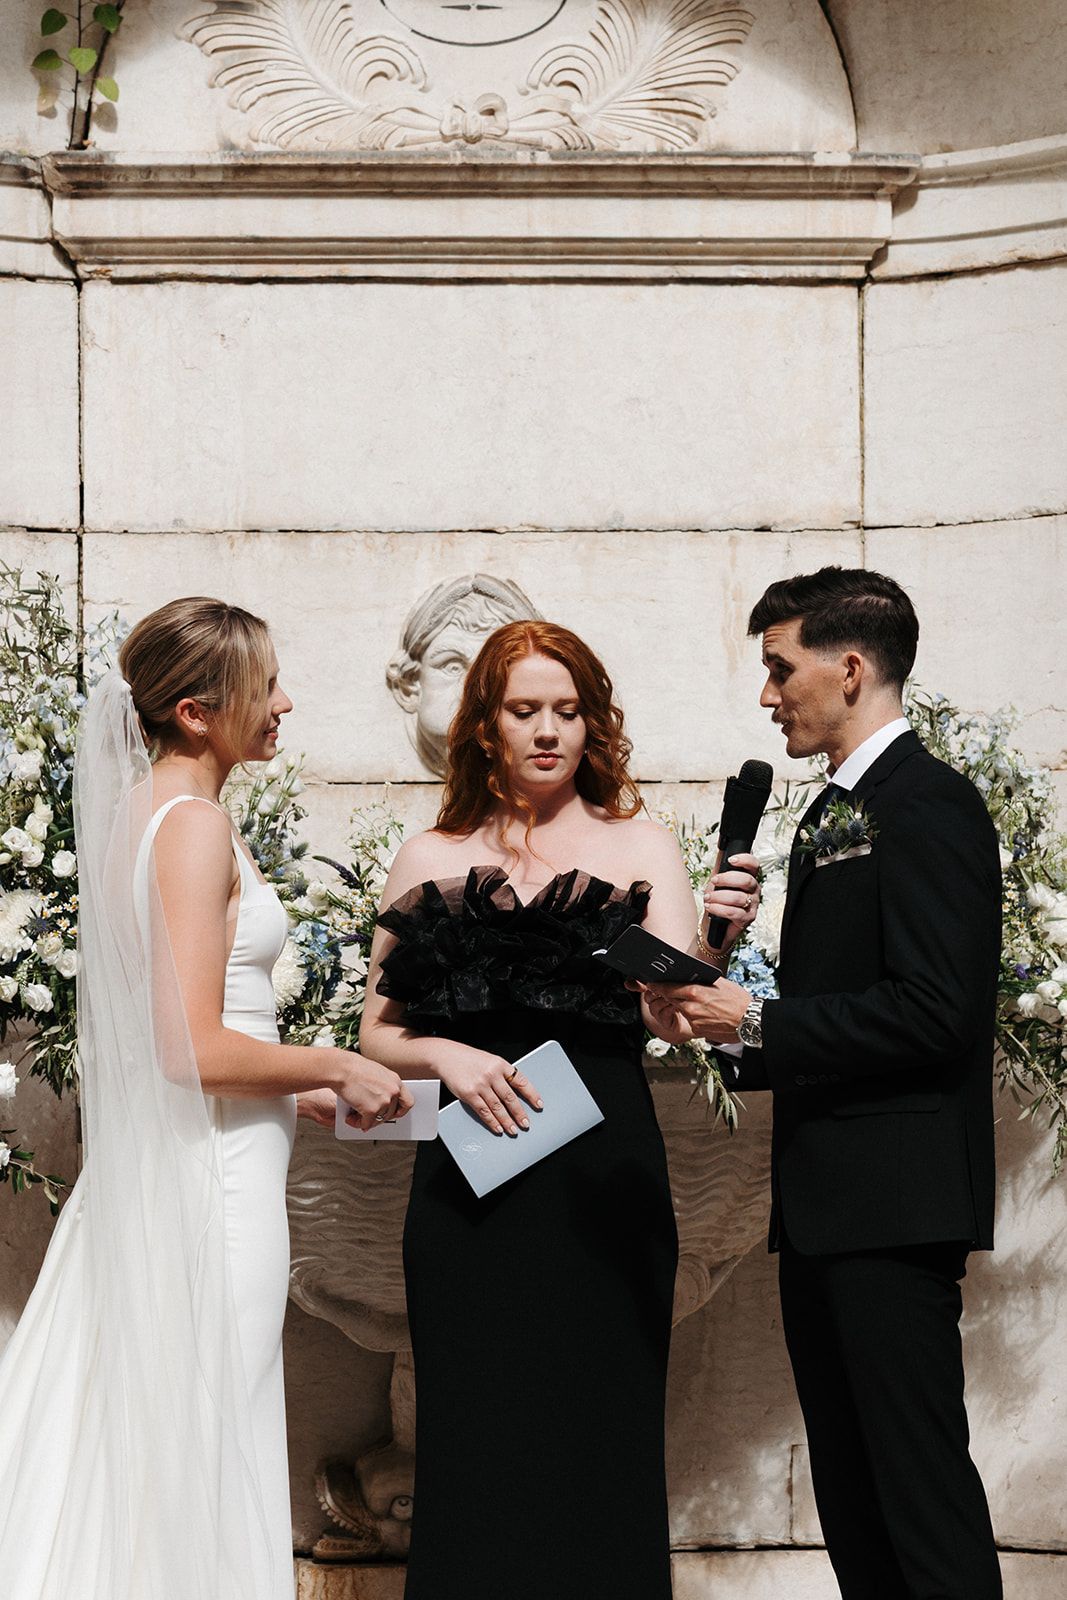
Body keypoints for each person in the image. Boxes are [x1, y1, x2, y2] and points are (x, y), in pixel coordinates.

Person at [0, 597, 410, 1600]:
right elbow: (187, 1049)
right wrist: (328, 1065)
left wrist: (288, 1095)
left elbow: (186, 1029)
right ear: (194, 711)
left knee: (160, 1432)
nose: (284, 704)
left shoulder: (144, 814)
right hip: (210, 1190)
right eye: (262, 687)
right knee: (208, 1428)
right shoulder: (192, 824)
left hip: (195, 1163)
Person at [360, 619, 761, 1600]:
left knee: (599, 1435)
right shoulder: (429, 854)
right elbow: (374, 1035)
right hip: (470, 1191)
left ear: (592, 723)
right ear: (483, 726)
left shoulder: (635, 845)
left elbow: (671, 1014)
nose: (549, 730)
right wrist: (446, 1054)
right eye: (524, 709)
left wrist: (713, 937)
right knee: (476, 1441)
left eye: (568, 710)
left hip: (602, 1186)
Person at [643, 567, 1003, 1600]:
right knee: (854, 1507)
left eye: (777, 667)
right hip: (822, 1211)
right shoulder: (827, 818)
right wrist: (717, 1004)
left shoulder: (926, 802)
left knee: (917, 1499)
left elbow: (938, 1010)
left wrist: (757, 1018)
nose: (766, 695)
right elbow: (831, 1017)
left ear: (849, 668)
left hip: (891, 1210)